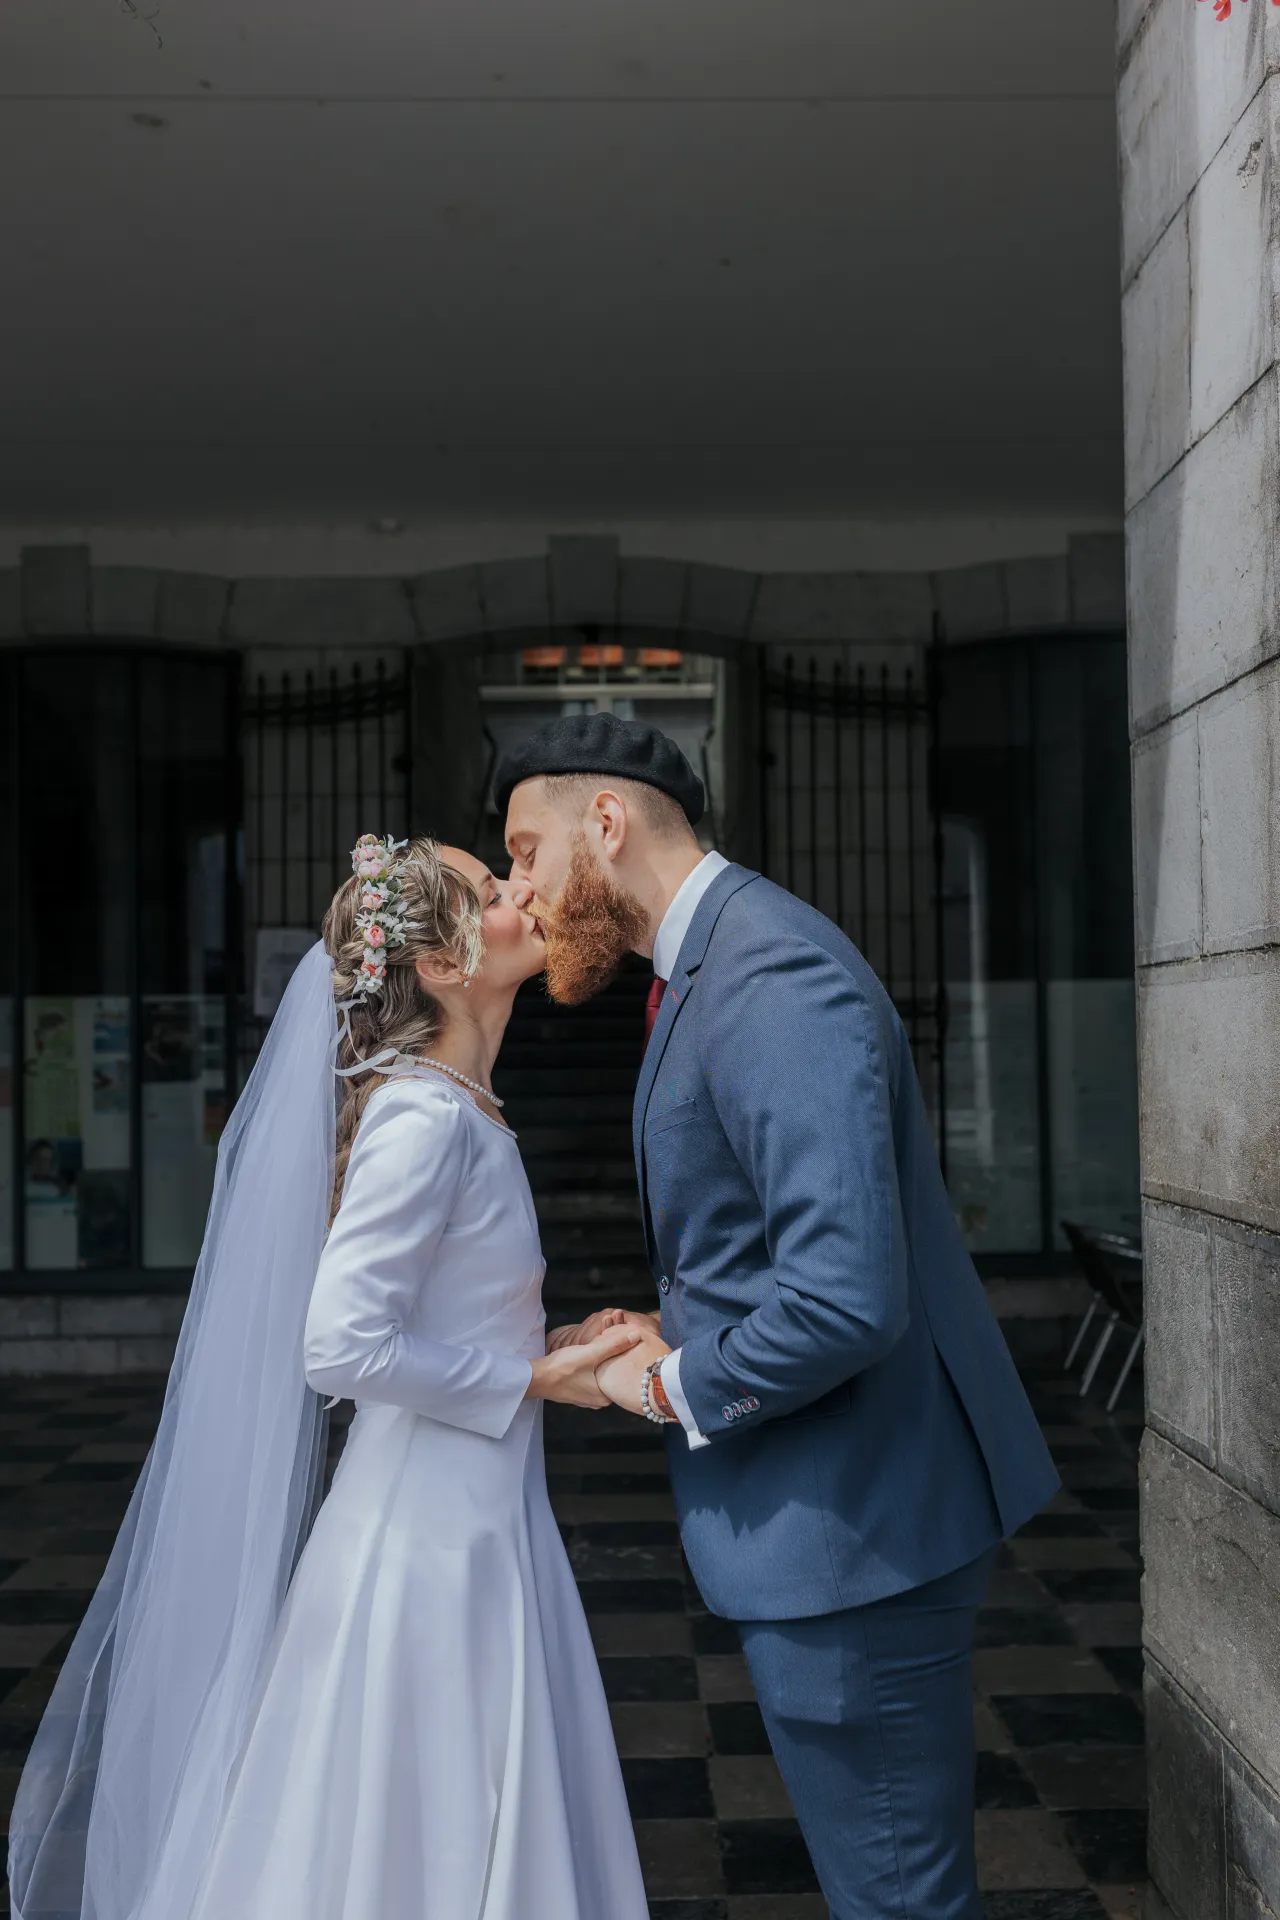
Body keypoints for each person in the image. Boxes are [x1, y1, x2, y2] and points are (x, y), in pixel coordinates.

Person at [9, 834, 650, 1920]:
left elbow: (433, 1318)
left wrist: (546, 1347)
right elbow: (340, 1346)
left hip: (473, 1521)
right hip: (425, 1544)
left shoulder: (463, 1110)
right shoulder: (424, 1118)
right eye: (494, 894)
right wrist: (534, 1382)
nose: (523, 898)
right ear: (443, 964)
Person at [498, 712, 1062, 1920]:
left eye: (523, 851)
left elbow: (844, 1296)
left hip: (856, 1540)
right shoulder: (710, 965)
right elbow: (786, 1248)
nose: (515, 889)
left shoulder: (769, 971)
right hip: (835, 1533)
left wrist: (654, 1384)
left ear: (605, 823)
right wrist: (670, 1319)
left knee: (899, 1902)